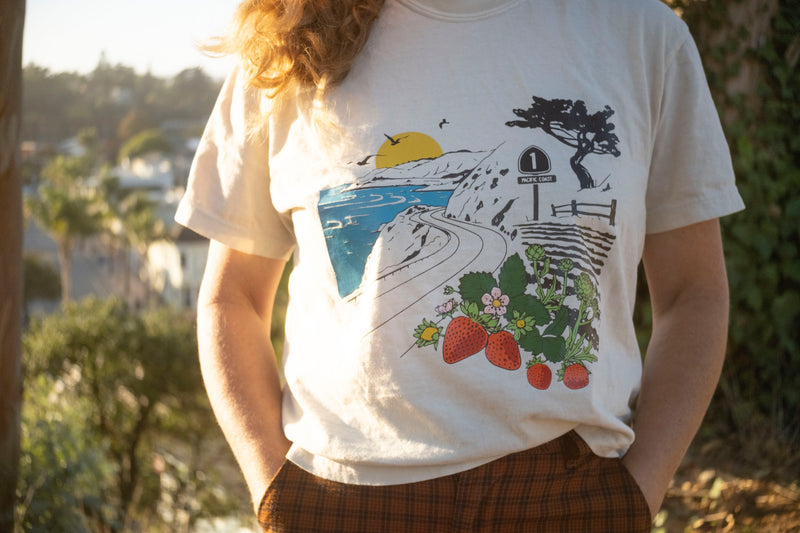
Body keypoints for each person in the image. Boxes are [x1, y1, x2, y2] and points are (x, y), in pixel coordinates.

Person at [176, 0, 745, 530]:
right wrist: (274, 489)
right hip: (341, 498)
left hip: (570, 492)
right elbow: (233, 298)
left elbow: (693, 292)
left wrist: (638, 491)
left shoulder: (639, 33)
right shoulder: (289, 39)